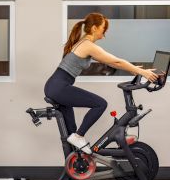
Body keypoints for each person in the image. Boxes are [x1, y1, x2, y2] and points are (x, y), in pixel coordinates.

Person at [44, 12, 159, 154]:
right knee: (100, 104)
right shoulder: (87, 45)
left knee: (71, 132)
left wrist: (135, 70)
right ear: (94, 28)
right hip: (59, 88)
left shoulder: (84, 43)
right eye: (103, 28)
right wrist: (140, 72)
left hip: (56, 86)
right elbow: (115, 61)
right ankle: (79, 136)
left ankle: (73, 168)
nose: (105, 32)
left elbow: (113, 63)